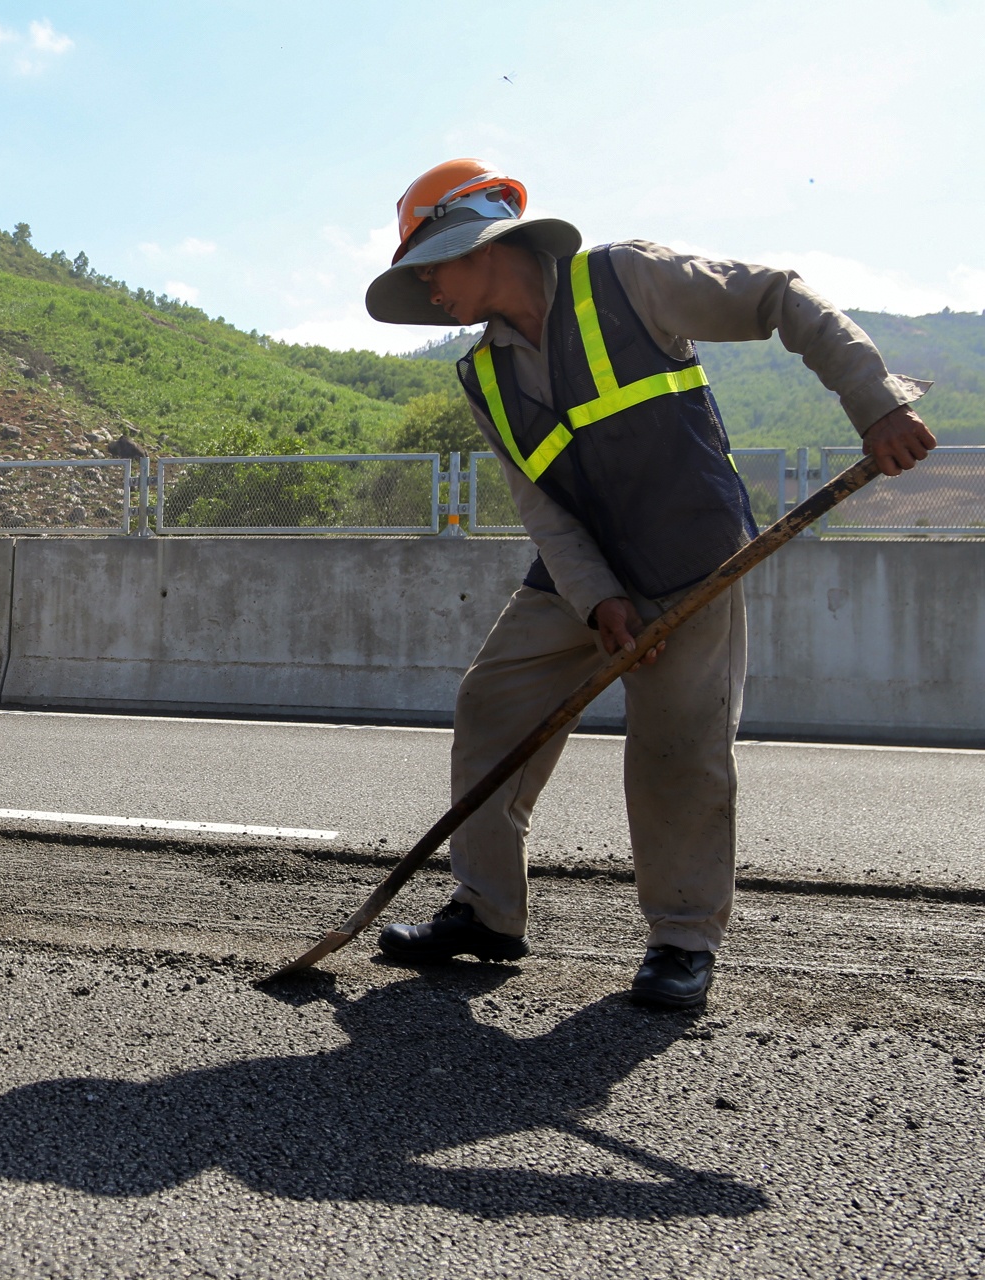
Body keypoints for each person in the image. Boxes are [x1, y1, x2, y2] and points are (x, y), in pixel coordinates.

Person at [363, 160, 935, 1009]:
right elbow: (542, 507)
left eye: (430, 267)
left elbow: (778, 293)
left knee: (677, 753)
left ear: (480, 238)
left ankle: (681, 940)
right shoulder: (482, 375)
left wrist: (874, 400)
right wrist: (596, 598)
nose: (428, 291)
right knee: (492, 704)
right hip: (577, 574)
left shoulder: (628, 279)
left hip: (690, 561)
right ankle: (487, 913)